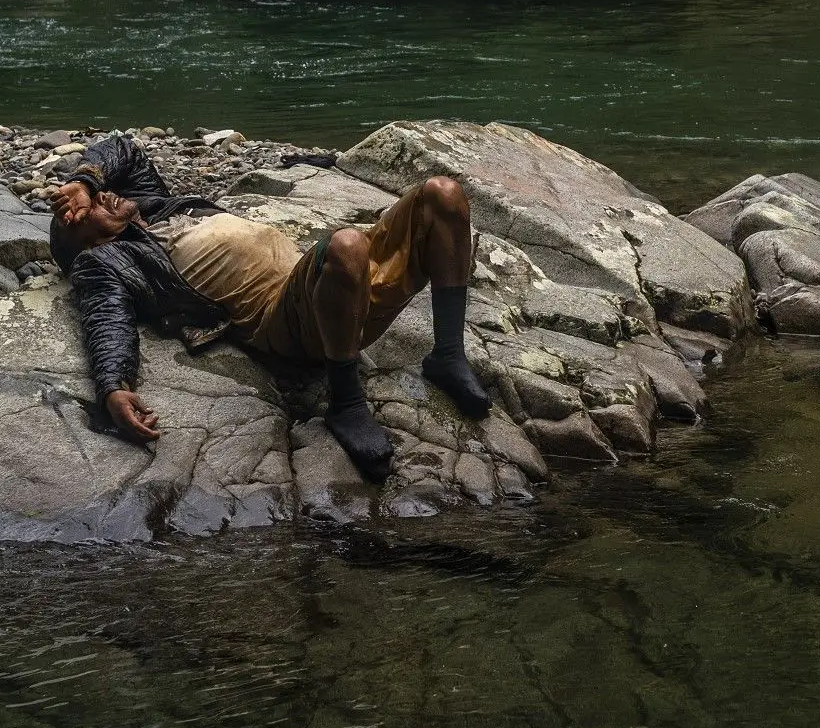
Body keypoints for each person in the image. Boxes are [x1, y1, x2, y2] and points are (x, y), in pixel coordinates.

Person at [46, 135, 492, 479]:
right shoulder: (109, 259)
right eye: (85, 214)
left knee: (444, 193)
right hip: (288, 319)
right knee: (347, 243)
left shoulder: (153, 206)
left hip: (338, 286)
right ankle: (346, 401)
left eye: (95, 197)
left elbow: (126, 149)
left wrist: (84, 182)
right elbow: (105, 316)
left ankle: (447, 356)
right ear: (87, 242)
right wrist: (112, 386)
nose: (103, 199)